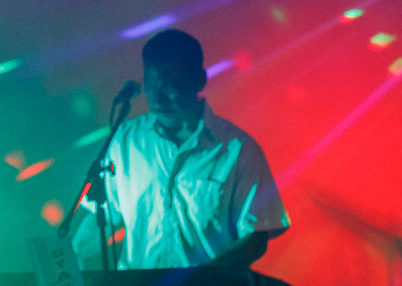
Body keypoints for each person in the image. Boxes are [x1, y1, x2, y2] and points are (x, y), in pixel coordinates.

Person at [73, 29, 289, 272]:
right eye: (152, 84)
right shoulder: (124, 141)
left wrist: (204, 280)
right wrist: (68, 260)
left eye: (171, 84)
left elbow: (256, 237)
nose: (159, 98)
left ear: (199, 80)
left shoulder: (239, 151)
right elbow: (100, 216)